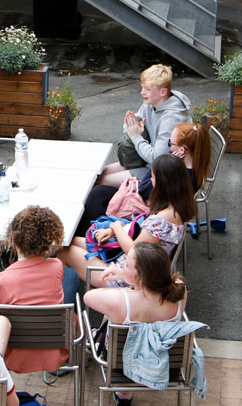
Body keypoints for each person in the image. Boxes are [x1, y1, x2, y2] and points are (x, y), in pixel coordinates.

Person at [58, 153, 197, 287]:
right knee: (70, 240)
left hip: (126, 275)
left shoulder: (161, 219)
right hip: (142, 267)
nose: (150, 181)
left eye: (153, 177)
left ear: (162, 183)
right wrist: (113, 230)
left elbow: (133, 251)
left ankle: (67, 301)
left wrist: (116, 226)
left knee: (62, 249)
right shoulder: (180, 207)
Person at [83, 242, 188, 406]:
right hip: (163, 360)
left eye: (127, 264)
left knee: (111, 316)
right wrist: (129, 279)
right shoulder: (180, 289)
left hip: (124, 365)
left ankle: (124, 392)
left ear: (141, 276)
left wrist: (126, 287)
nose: (122, 264)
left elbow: (88, 296)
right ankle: (123, 395)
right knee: (117, 319)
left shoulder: (121, 301)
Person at [0, 206, 79, 374]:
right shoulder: (56, 266)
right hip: (54, 353)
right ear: (49, 241)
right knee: (70, 275)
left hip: (14, 354)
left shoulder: (2, 280)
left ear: (12, 239)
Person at [77, 122, 210, 234]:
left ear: (183, 150)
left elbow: (144, 189)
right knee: (99, 192)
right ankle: (85, 233)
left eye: (171, 143)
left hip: (146, 214)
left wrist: (158, 162)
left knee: (97, 195)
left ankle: (84, 236)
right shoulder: (191, 169)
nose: (169, 147)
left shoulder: (175, 173)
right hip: (152, 206)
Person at [97, 64, 192, 187]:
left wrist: (136, 137)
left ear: (163, 91)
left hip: (163, 173)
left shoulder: (172, 118)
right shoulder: (151, 103)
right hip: (146, 162)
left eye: (147, 89)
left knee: (100, 182)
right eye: (142, 88)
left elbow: (157, 158)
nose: (142, 92)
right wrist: (132, 125)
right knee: (96, 175)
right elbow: (128, 129)